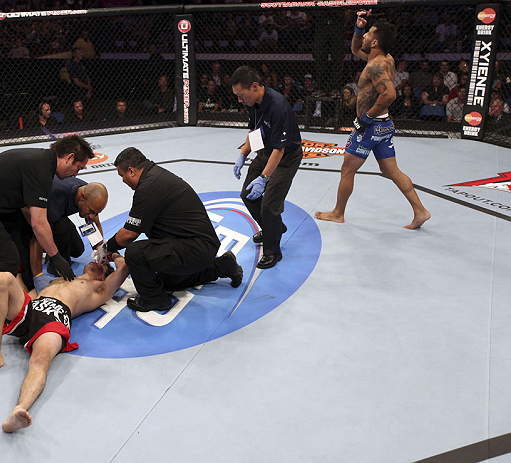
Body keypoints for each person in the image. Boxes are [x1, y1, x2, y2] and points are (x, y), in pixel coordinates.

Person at [0, 253, 129, 433]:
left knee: (41, 360)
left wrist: (111, 254)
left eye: (103, 267)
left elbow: (123, 267)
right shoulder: (62, 277)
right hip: (33, 306)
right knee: (1, 278)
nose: (98, 263)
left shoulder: (99, 288)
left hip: (55, 316)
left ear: (102, 277)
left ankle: (19, 409)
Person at [0, 135, 94, 332]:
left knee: (22, 238)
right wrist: (55, 256)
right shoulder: (41, 169)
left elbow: (29, 215)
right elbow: (38, 222)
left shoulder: (45, 163)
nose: (76, 174)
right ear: (69, 157)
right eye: (78, 168)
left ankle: (24, 291)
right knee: (6, 259)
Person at [315, 11, 430, 230]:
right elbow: (355, 49)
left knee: (347, 169)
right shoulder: (383, 58)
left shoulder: (375, 66)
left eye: (368, 33)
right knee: (391, 170)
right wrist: (358, 28)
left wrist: (366, 118)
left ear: (375, 41)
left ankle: (338, 213)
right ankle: (420, 211)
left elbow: (389, 95)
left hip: (371, 126)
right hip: (384, 125)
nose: (365, 36)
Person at [91, 147, 243, 312]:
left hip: (195, 248)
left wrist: (106, 249)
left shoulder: (148, 188)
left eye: (122, 176)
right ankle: (222, 266)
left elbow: (128, 234)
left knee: (135, 252)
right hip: (199, 245)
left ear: (131, 171)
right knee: (164, 281)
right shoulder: (155, 176)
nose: (123, 181)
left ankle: (155, 301)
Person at [230, 65, 303, 269]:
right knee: (247, 194)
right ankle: (275, 228)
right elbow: (254, 131)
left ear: (254, 87)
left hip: (286, 158)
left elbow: (280, 150)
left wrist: (263, 178)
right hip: (265, 152)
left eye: (241, 95)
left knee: (269, 205)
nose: (239, 100)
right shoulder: (253, 102)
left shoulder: (277, 106)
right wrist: (243, 154)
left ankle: (273, 251)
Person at [31, 179, 108, 279]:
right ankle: (53, 265)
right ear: (82, 197)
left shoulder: (89, 194)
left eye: (96, 213)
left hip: (57, 217)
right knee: (63, 225)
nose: (92, 216)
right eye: (91, 211)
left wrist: (99, 250)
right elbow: (37, 234)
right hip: (34, 220)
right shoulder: (56, 200)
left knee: (78, 250)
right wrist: (38, 276)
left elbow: (93, 222)